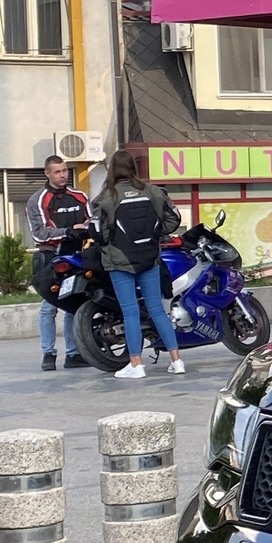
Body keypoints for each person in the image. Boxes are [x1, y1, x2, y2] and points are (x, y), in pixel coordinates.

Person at [93, 150, 185, 380]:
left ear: (113, 169)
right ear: (133, 167)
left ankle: (136, 364)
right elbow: (174, 219)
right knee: (157, 309)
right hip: (149, 257)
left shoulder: (106, 198)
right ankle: (177, 361)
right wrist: (155, 234)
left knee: (130, 312)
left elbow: (98, 232)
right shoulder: (154, 191)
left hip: (120, 260)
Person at [24, 154, 92, 371]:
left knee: (73, 304)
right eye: (57, 172)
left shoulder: (79, 196)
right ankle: (48, 354)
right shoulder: (38, 199)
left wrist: (86, 230)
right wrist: (68, 232)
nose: (62, 175)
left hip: (77, 257)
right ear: (47, 173)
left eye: (64, 171)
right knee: (49, 306)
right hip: (52, 258)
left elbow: (92, 221)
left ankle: (73, 354)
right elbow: (40, 234)